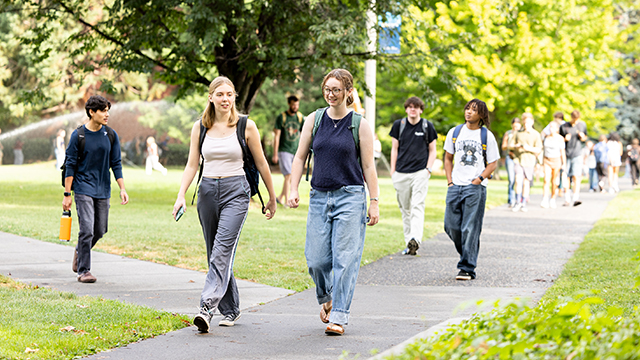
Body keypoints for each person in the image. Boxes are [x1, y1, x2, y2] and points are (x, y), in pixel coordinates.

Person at [172, 76, 276, 333]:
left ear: (234, 97)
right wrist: (181, 195)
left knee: (221, 249)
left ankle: (206, 308)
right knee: (214, 252)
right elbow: (192, 164)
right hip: (207, 191)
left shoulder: (246, 126)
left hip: (236, 192)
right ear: (211, 97)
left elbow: (262, 163)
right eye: (220, 94)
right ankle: (230, 309)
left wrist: (272, 197)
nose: (226, 99)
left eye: (230, 94)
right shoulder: (201, 127)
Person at [288, 68, 380, 336]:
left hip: (350, 197)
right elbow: (298, 157)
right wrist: (293, 188)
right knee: (316, 259)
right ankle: (327, 297)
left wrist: (374, 201)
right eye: (327, 89)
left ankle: (339, 315)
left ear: (348, 92)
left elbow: (368, 167)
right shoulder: (314, 119)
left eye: (336, 90)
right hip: (319, 196)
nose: (331, 94)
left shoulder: (360, 124)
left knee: (345, 259)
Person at [63, 95, 129, 283]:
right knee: (87, 229)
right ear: (92, 112)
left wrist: (122, 188)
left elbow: (116, 163)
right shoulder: (79, 135)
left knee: (99, 230)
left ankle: (80, 251)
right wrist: (67, 194)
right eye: (103, 110)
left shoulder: (110, 135)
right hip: (83, 187)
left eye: (108, 110)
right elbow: (70, 165)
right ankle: (84, 271)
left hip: (103, 189)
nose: (107, 114)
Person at [443, 98, 500, 281]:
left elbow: (493, 163)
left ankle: (467, 267)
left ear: (481, 114)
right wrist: (450, 181)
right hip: (455, 186)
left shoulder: (486, 136)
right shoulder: (455, 132)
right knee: (450, 226)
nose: (468, 112)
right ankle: (468, 253)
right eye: (467, 108)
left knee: (470, 229)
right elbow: (447, 158)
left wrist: (479, 179)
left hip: (475, 188)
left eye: (473, 110)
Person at [389, 96, 437, 255]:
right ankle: (408, 242)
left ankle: (415, 238)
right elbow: (394, 149)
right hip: (401, 173)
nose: (412, 109)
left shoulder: (427, 126)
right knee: (405, 209)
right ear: (406, 109)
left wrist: (428, 169)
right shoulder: (399, 125)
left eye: (416, 106)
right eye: (409, 106)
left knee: (417, 205)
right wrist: (393, 171)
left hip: (420, 173)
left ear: (421, 109)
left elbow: (432, 150)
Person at [272, 95, 303, 206]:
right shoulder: (282, 117)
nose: (295, 107)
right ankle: (285, 201)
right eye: (293, 105)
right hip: (284, 150)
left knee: (290, 176)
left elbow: (305, 134)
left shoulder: (300, 117)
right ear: (289, 104)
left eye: (297, 105)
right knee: (288, 175)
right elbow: (277, 136)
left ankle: (280, 198)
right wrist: (275, 153)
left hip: (295, 151)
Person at [511, 113, 542, 212]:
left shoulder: (536, 134)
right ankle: (517, 202)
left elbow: (538, 149)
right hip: (518, 159)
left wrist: (528, 148)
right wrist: (517, 146)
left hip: (530, 161)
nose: (526, 124)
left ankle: (523, 202)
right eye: (524, 123)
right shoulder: (518, 133)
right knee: (517, 180)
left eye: (528, 122)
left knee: (526, 182)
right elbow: (510, 145)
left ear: (532, 122)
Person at [559, 110, 588, 206]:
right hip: (566, 154)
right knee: (566, 176)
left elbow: (585, 139)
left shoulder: (582, 125)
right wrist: (564, 139)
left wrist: (583, 137)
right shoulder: (564, 126)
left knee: (576, 176)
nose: (575, 121)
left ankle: (576, 198)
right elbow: (558, 140)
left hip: (577, 153)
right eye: (574, 119)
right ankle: (567, 198)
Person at [540, 121, 566, 208]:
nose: (551, 129)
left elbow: (562, 152)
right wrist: (541, 162)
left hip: (556, 160)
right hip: (547, 160)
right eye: (550, 127)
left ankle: (553, 198)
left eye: (553, 127)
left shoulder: (560, 139)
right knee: (546, 180)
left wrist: (564, 164)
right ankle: (545, 198)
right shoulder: (546, 138)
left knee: (554, 181)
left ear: (557, 129)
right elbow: (543, 150)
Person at [501, 118, 521, 207]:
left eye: (518, 126)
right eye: (514, 126)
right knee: (511, 179)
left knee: (520, 179)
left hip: (520, 158)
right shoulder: (508, 133)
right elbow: (504, 147)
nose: (516, 128)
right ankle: (511, 199)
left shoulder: (522, 133)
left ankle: (520, 198)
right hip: (510, 157)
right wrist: (512, 146)